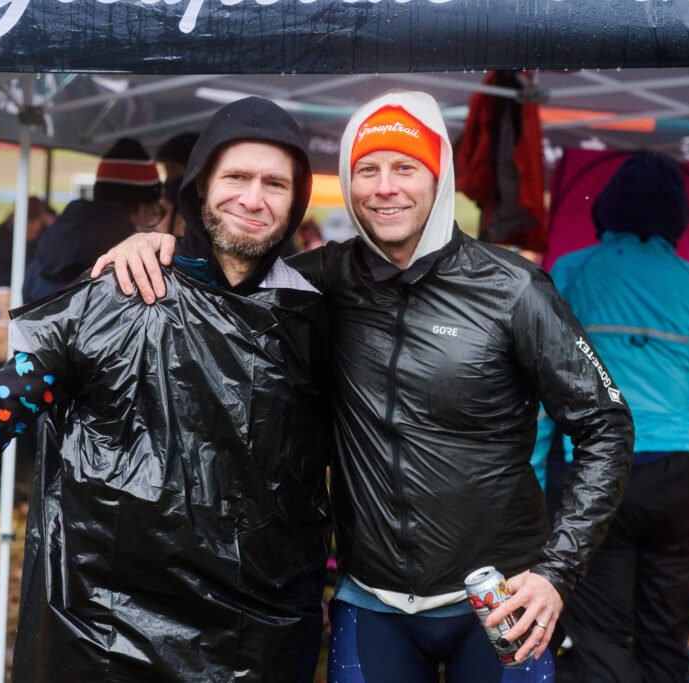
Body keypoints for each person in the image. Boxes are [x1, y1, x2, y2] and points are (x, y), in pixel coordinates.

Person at [93, 91, 635, 682]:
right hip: (373, 603)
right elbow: (228, 277)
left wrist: (557, 572)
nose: (384, 188)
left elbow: (605, 426)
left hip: (500, 599)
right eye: (367, 170)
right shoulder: (320, 280)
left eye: (405, 168)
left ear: (439, 179)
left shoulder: (514, 290)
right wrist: (150, 246)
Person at [0, 97, 331, 682]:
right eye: (236, 177)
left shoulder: (316, 317)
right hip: (105, 634)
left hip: (252, 644)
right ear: (199, 187)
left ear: (297, 199)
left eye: (275, 183)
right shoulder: (122, 292)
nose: (253, 198)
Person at [533, 153, 689, 683]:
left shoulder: (572, 271)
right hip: (680, 477)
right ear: (678, 215)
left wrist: (535, 472)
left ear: (608, 206)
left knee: (601, 642)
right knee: (666, 645)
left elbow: (545, 382)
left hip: (594, 474)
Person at [22, 137, 164, 302]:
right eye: (153, 213)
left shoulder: (52, 239)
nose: (151, 222)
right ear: (141, 207)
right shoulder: (127, 254)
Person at [0, 195, 49, 287]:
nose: (31, 235)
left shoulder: (47, 236)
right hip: (6, 287)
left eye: (34, 231)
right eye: (28, 230)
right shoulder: (0, 235)